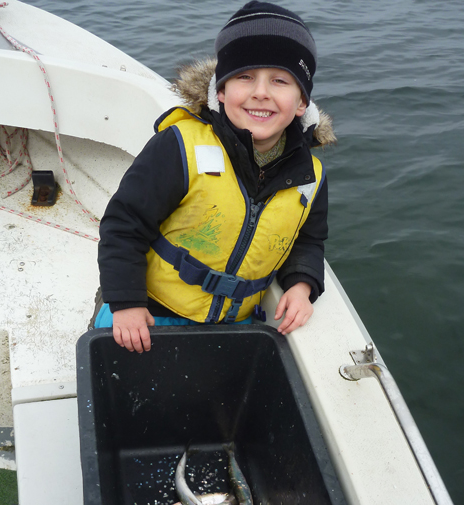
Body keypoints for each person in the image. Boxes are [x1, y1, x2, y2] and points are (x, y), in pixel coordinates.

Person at [94, 0, 336, 352]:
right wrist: (127, 302)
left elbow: (308, 241)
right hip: (152, 313)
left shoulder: (310, 175)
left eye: (281, 80)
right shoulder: (178, 147)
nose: (261, 92)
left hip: (237, 324)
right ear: (220, 91)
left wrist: (302, 286)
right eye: (245, 77)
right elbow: (123, 225)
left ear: (302, 102)